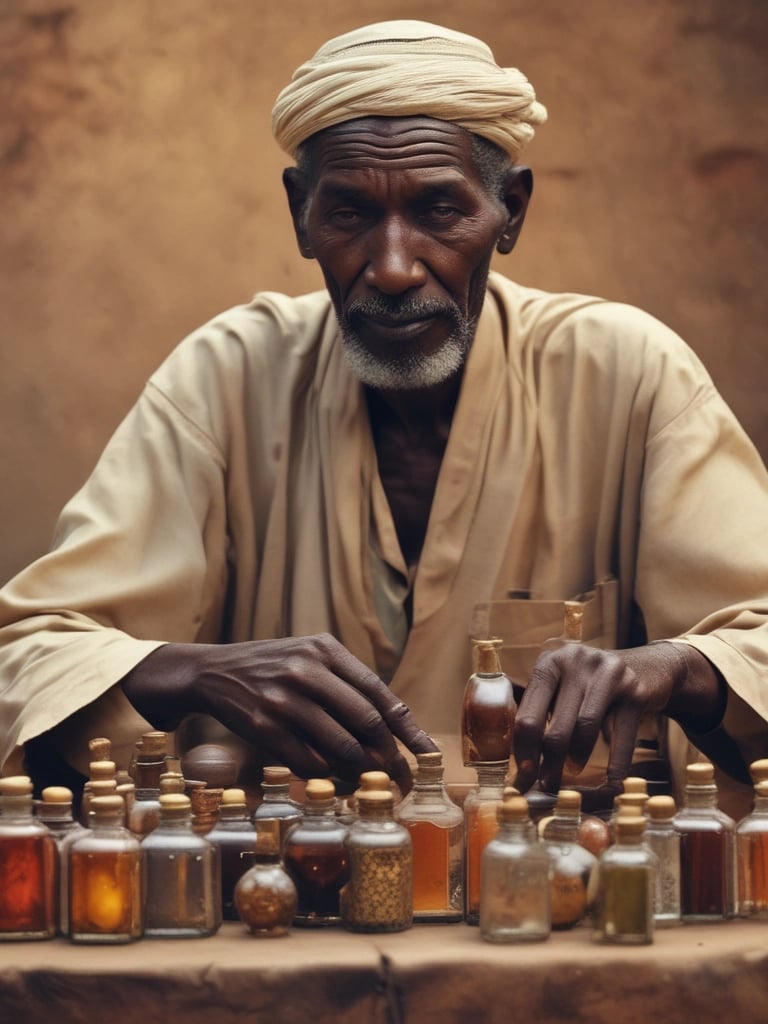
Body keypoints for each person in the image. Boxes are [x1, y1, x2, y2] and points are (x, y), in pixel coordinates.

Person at [1, 20, 767, 816]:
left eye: (440, 211)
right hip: (285, 906)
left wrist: (674, 668)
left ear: (510, 211)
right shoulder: (225, 376)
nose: (395, 266)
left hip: (558, 898)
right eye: (350, 215)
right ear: (301, 215)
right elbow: (29, 658)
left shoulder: (629, 375)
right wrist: (201, 672)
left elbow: (757, 641)